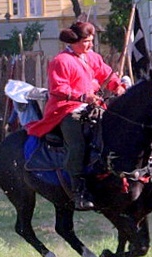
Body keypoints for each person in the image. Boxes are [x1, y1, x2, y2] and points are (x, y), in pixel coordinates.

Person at [25, 21, 125, 211]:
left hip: (93, 106)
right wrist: (82, 96)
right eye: (87, 41)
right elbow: (58, 88)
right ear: (74, 41)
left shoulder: (92, 57)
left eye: (92, 40)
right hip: (65, 109)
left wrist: (117, 85)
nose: (91, 45)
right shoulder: (60, 61)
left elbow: (106, 74)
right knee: (77, 144)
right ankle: (78, 191)